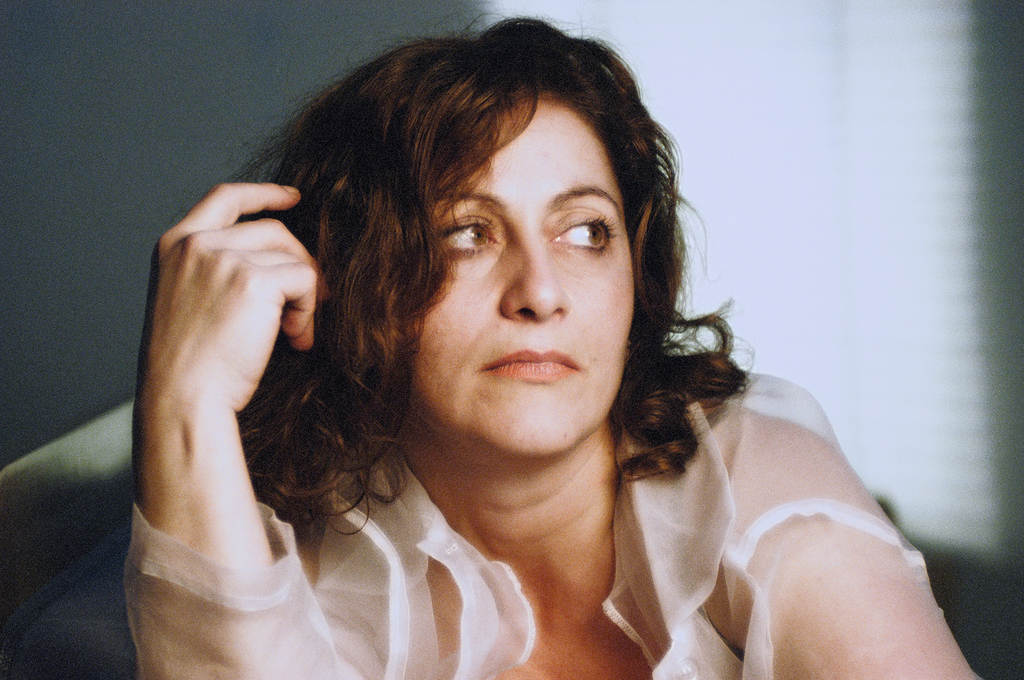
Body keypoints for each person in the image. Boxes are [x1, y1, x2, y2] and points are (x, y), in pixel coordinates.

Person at [125, 17, 977, 680]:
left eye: (585, 231)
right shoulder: (320, 563)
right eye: (466, 233)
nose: (540, 291)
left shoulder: (750, 482)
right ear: (357, 278)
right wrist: (182, 400)